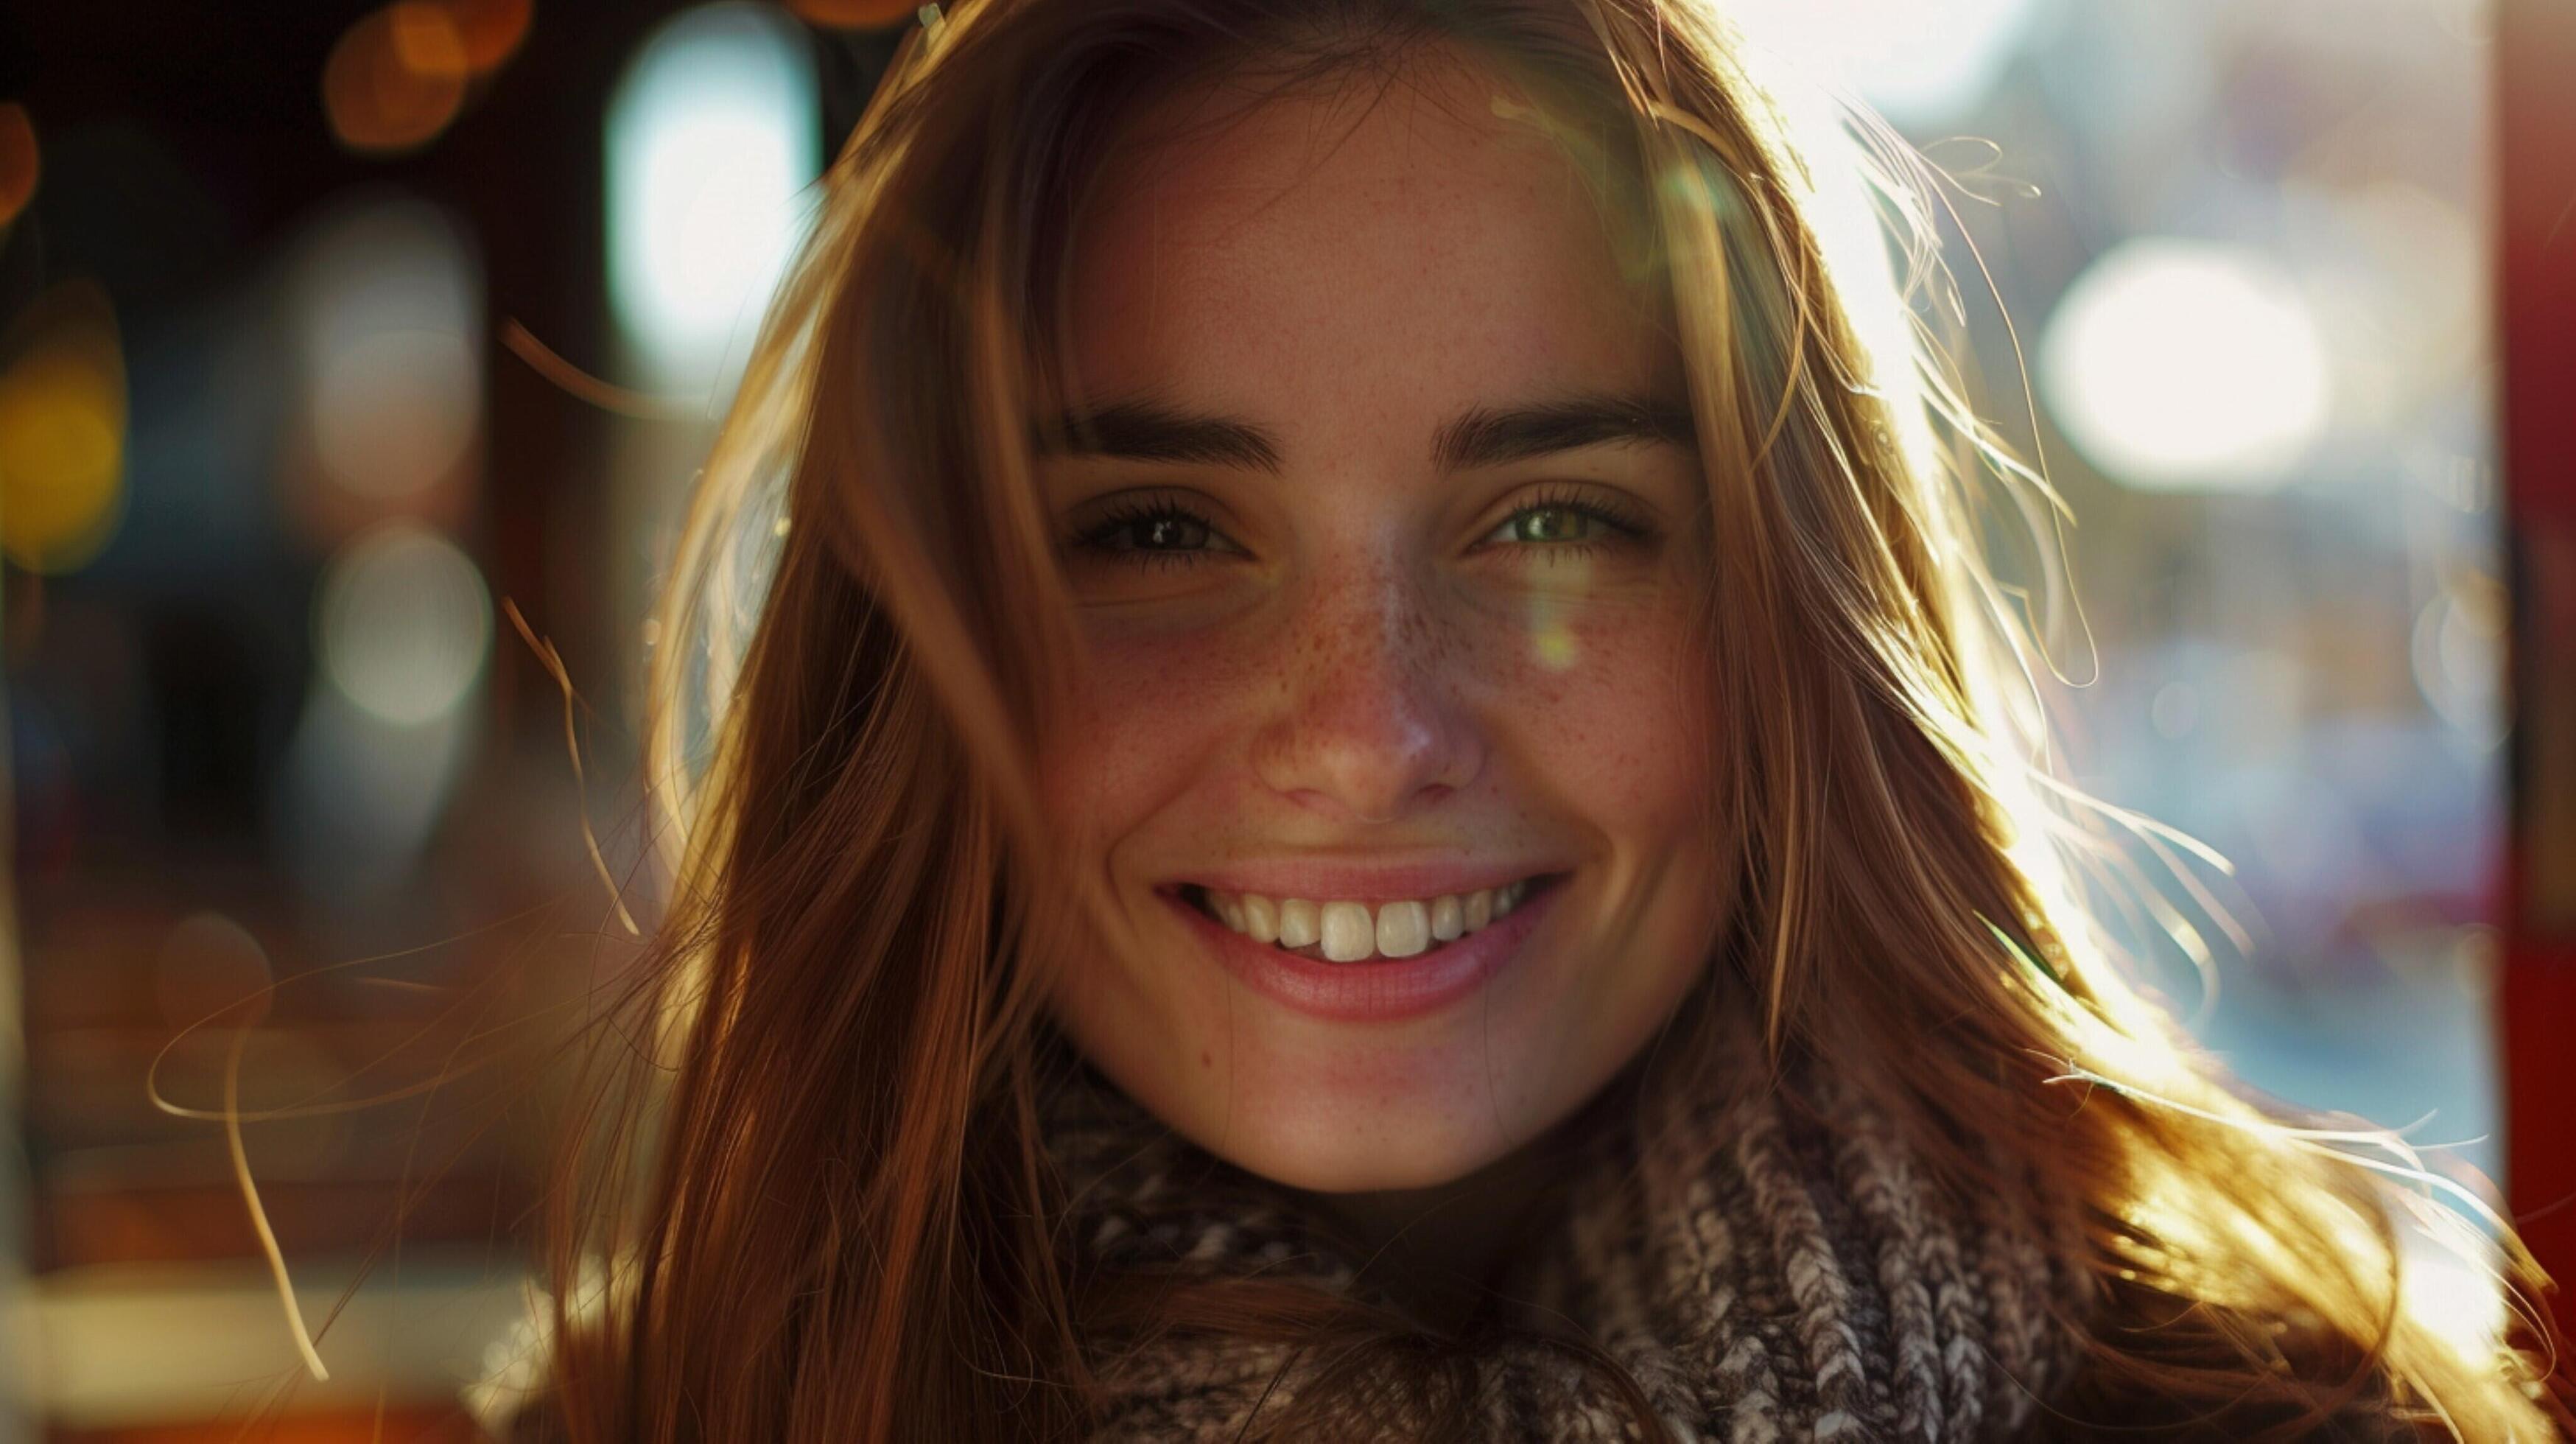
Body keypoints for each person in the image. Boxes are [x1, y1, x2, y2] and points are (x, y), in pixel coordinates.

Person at [485, 0, 2570, 1437]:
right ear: (910, 654)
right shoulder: (648, 1423)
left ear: (1788, 625)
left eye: (1555, 517)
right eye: (1150, 532)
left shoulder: (2291, 1425)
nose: (1369, 727)